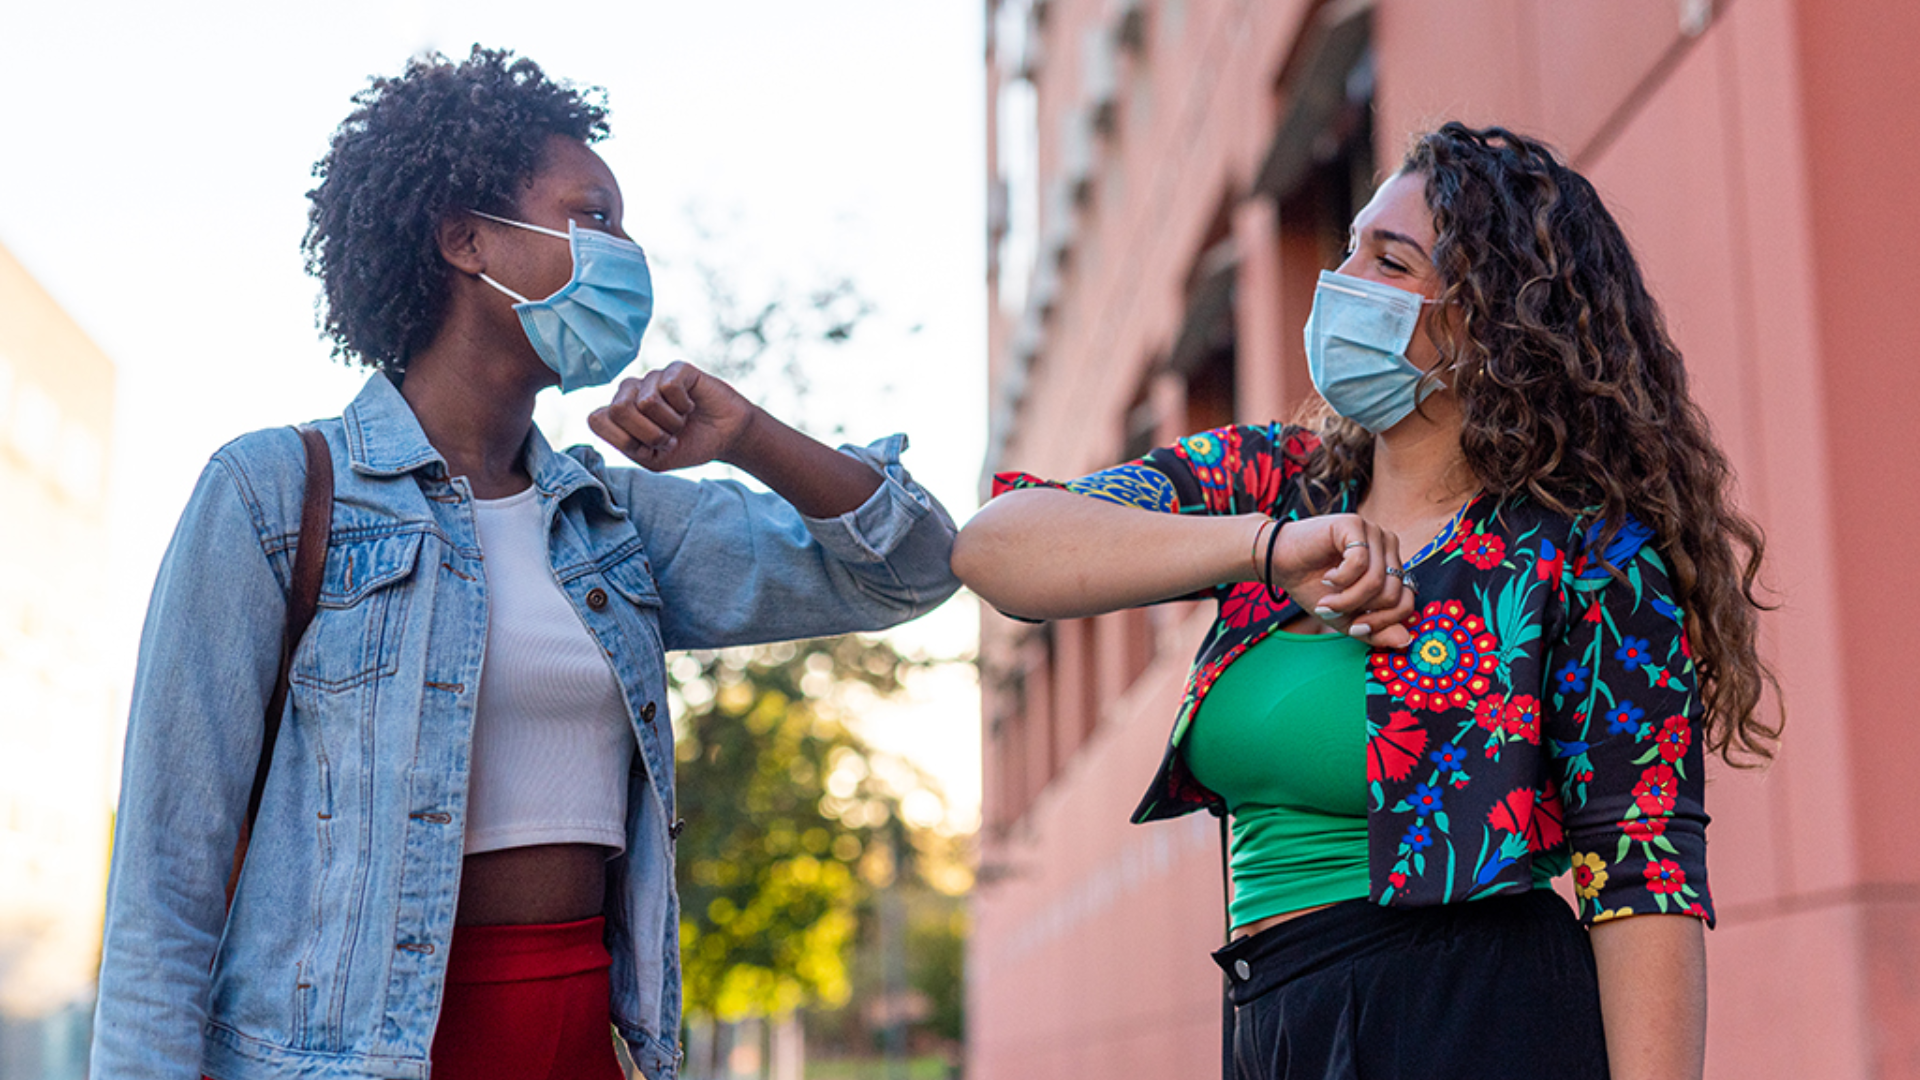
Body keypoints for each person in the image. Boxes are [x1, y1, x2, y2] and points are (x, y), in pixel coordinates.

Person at [91, 47, 959, 1080]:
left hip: (578, 1037)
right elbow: (165, 885)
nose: (627, 253)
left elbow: (912, 570)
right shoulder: (273, 494)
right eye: (593, 215)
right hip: (345, 1055)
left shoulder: (610, 514)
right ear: (465, 239)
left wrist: (749, 435)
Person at [953, 122, 1778, 1080]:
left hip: (1473, 1016)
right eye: (1348, 245)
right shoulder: (1282, 481)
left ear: (1494, 320)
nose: (1340, 280)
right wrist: (1272, 549)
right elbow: (1001, 546)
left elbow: (1641, 869)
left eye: (1389, 260)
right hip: (1276, 1010)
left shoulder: (1588, 548)